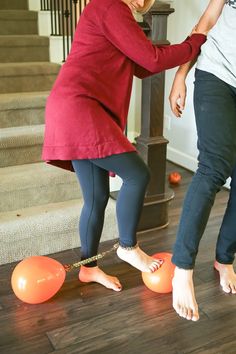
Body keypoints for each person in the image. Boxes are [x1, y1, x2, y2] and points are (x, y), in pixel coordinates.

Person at [42, 0, 206, 292]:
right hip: (81, 107)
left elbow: (143, 65)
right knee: (138, 175)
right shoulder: (109, 5)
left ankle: (88, 268)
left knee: (96, 198)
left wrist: (187, 46)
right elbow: (153, 60)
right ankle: (127, 246)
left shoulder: (114, 13)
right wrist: (194, 43)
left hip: (74, 107)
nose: (143, 1)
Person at [169, 0, 236, 321]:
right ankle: (182, 269)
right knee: (214, 166)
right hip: (217, 75)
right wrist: (181, 74)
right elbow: (207, 20)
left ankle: (224, 259)